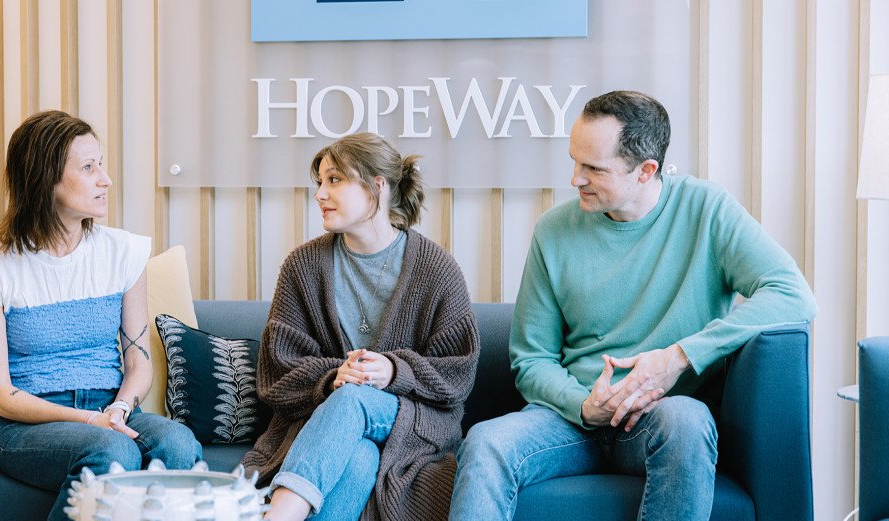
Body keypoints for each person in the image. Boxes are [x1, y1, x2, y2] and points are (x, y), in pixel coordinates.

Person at [449, 91, 817, 521]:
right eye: (574, 161)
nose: (575, 179)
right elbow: (532, 360)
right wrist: (585, 406)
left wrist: (678, 357)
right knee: (486, 441)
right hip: (570, 420)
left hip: (659, 417)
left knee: (688, 421)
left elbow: (793, 294)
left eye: (593, 168)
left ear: (646, 171)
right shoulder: (553, 231)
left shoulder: (706, 210)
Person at [0, 110, 202, 521]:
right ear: (43, 179)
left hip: (111, 409)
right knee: (111, 450)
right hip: (25, 427)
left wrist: (118, 410)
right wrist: (90, 421)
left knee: (177, 444)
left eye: (100, 164)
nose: (105, 179)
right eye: (89, 168)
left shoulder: (124, 253)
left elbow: (138, 362)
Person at [241, 132, 480, 521]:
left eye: (334, 180)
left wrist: (394, 371)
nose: (320, 193)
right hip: (327, 427)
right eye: (319, 182)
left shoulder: (436, 269)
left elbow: (457, 375)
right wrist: (334, 375)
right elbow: (277, 370)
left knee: (354, 400)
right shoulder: (304, 266)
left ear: (377, 186)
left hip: (411, 421)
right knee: (357, 457)